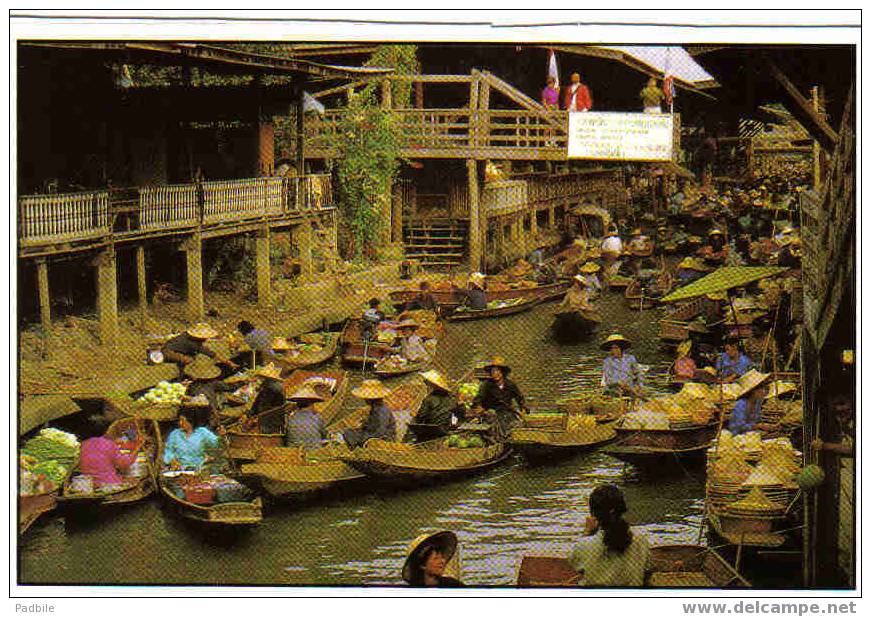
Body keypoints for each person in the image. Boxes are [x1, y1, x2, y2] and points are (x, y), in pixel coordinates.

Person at [567, 484, 651, 587]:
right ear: (622, 509)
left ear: (593, 514)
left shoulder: (584, 545)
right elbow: (647, 573)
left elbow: (574, 565)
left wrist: (587, 532)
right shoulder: (641, 541)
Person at [78, 416, 144, 489]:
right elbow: (125, 463)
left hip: (88, 484)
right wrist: (137, 448)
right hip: (108, 484)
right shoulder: (108, 444)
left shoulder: (83, 444)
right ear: (106, 430)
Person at [471, 356, 528, 435]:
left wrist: (523, 409)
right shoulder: (486, 385)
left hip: (506, 413)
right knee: (494, 423)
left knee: (516, 425)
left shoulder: (510, 385)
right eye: (493, 371)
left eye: (498, 371)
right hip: (490, 413)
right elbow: (478, 399)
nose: (495, 374)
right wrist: (479, 408)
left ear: (502, 372)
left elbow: (520, 399)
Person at [342, 379, 397, 448]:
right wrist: (364, 424)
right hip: (374, 433)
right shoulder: (376, 408)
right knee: (349, 432)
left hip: (384, 438)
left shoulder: (381, 411)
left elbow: (379, 433)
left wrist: (362, 437)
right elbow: (372, 424)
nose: (364, 399)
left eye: (366, 398)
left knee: (350, 434)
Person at [161, 323, 235, 373]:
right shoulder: (193, 344)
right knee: (190, 361)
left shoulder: (187, 335)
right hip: (168, 352)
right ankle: (184, 373)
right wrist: (229, 363)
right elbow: (212, 354)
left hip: (170, 347)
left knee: (193, 355)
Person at [183, 354, 235, 423]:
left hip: (195, 414)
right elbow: (228, 387)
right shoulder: (212, 383)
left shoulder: (192, 385)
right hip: (210, 413)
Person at [411, 370, 460, 442]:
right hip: (445, 431)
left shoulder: (429, 399)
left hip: (432, 432)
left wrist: (414, 416)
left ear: (432, 386)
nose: (426, 386)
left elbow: (421, 417)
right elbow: (459, 413)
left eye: (427, 384)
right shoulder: (452, 398)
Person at [727, 370, 771, 435]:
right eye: (761, 389)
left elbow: (757, 421)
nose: (763, 391)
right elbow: (737, 426)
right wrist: (758, 426)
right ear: (752, 391)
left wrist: (765, 426)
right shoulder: (741, 404)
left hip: (752, 434)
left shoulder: (757, 403)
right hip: (738, 436)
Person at [249, 363, 288, 434]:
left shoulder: (271, 389)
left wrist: (252, 414)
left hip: (269, 420)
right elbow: (257, 403)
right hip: (272, 419)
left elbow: (261, 405)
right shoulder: (268, 388)